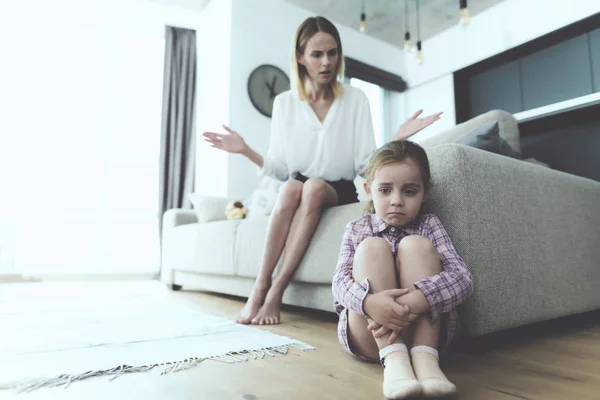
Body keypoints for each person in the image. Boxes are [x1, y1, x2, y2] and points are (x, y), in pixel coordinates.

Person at [203, 16, 442, 326]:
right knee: (291, 187)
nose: (326, 62)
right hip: (298, 183)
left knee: (313, 186)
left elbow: (365, 164)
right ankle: (260, 285)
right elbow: (281, 168)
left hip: (337, 188)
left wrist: (396, 138)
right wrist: (245, 149)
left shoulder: (355, 99)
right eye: (317, 54)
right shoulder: (285, 103)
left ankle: (277, 289)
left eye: (332, 53)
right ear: (300, 57)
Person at [332, 140, 473, 399]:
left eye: (409, 191)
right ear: (368, 190)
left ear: (425, 192)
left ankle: (425, 361)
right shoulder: (357, 228)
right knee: (371, 247)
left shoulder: (429, 224)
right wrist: (370, 303)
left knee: (416, 245)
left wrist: (415, 300)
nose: (396, 201)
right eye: (385, 190)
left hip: (424, 335)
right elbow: (339, 284)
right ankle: (395, 361)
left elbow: (463, 279)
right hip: (372, 337)